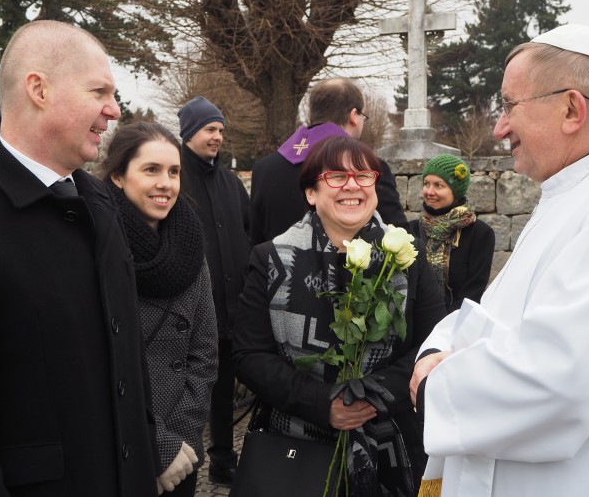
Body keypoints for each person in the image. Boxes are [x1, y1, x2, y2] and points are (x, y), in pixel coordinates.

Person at [410, 24, 589, 497]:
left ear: (572, 109)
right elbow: (490, 317)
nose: (499, 127)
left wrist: (438, 388)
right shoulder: (568, 191)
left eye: (509, 105)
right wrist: (434, 352)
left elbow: (560, 374)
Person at [0, 20, 158, 496]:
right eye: (98, 90)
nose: (113, 109)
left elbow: (127, 360)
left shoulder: (98, 202)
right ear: (38, 89)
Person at [233, 136, 446, 495]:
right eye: (336, 176)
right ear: (312, 193)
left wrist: (368, 398)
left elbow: (434, 344)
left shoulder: (409, 260)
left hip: (391, 447)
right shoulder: (271, 259)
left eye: (364, 175)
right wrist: (322, 403)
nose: (352, 185)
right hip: (296, 450)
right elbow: (249, 354)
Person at [100, 122, 219, 496]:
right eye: (151, 170)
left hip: (180, 454)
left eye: (174, 171)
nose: (165, 183)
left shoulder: (189, 242)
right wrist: (154, 444)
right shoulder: (97, 243)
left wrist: (178, 442)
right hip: (118, 446)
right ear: (118, 176)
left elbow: (204, 352)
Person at [177, 96, 251, 487]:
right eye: (209, 129)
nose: (217, 137)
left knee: (225, 390)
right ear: (189, 133)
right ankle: (180, 461)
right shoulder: (176, 179)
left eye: (220, 130)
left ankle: (224, 459)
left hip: (232, 305)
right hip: (190, 307)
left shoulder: (231, 183)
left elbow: (247, 231)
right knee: (192, 390)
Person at [250, 77, 410, 245]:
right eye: (364, 116)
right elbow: (398, 239)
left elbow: (256, 240)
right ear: (354, 116)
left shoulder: (263, 169)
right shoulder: (368, 170)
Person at [408, 154, 495, 312]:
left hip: (454, 326)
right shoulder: (411, 230)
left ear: (456, 190)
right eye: (426, 184)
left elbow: (473, 292)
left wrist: (443, 326)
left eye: (438, 185)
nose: (429, 191)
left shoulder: (479, 234)